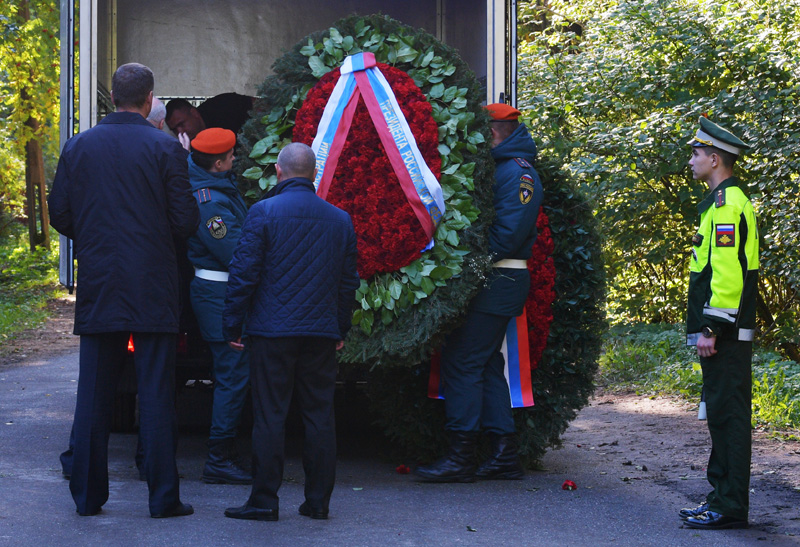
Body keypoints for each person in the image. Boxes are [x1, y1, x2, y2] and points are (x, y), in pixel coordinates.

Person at [48, 62, 199, 518]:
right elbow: (185, 221)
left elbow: (60, 215)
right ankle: (162, 498)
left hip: (100, 281)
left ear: (112, 97)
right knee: (156, 391)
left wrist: (94, 236)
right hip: (153, 283)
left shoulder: (78, 147)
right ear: (149, 99)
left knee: (94, 392)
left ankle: (88, 497)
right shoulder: (164, 148)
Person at [221, 142, 359, 521]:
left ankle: (264, 501)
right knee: (319, 416)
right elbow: (348, 283)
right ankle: (318, 502)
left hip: (271, 331)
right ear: (313, 174)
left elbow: (243, 274)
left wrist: (233, 324)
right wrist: (340, 327)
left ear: (279, 172)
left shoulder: (262, 212)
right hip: (320, 332)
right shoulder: (339, 219)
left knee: (270, 416)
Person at [415, 103, 543, 483]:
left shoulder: (517, 174)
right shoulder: (502, 169)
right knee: (485, 364)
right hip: (493, 279)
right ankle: (503, 453)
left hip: (497, 279)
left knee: (463, 362)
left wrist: (466, 269)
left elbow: (508, 235)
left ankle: (461, 456)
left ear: (494, 132)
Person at [679, 116, 759, 530]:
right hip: (724, 333)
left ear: (714, 159)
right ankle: (720, 498)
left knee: (727, 418)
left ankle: (728, 505)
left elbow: (728, 273)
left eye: (696, 153)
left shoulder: (727, 206)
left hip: (725, 335)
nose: (691, 159)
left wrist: (712, 327)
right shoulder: (718, 204)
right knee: (721, 415)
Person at [185, 128, 252, 485]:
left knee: (235, 374)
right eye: (230, 157)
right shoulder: (210, 201)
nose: (234, 160)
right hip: (219, 295)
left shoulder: (218, 189)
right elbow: (235, 254)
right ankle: (219, 458)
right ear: (217, 163)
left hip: (223, 294)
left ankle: (225, 451)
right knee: (232, 375)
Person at [165, 93, 254, 148]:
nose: (180, 132)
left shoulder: (223, 105)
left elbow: (258, 103)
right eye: (174, 130)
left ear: (194, 113)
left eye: (181, 124)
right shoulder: (191, 147)